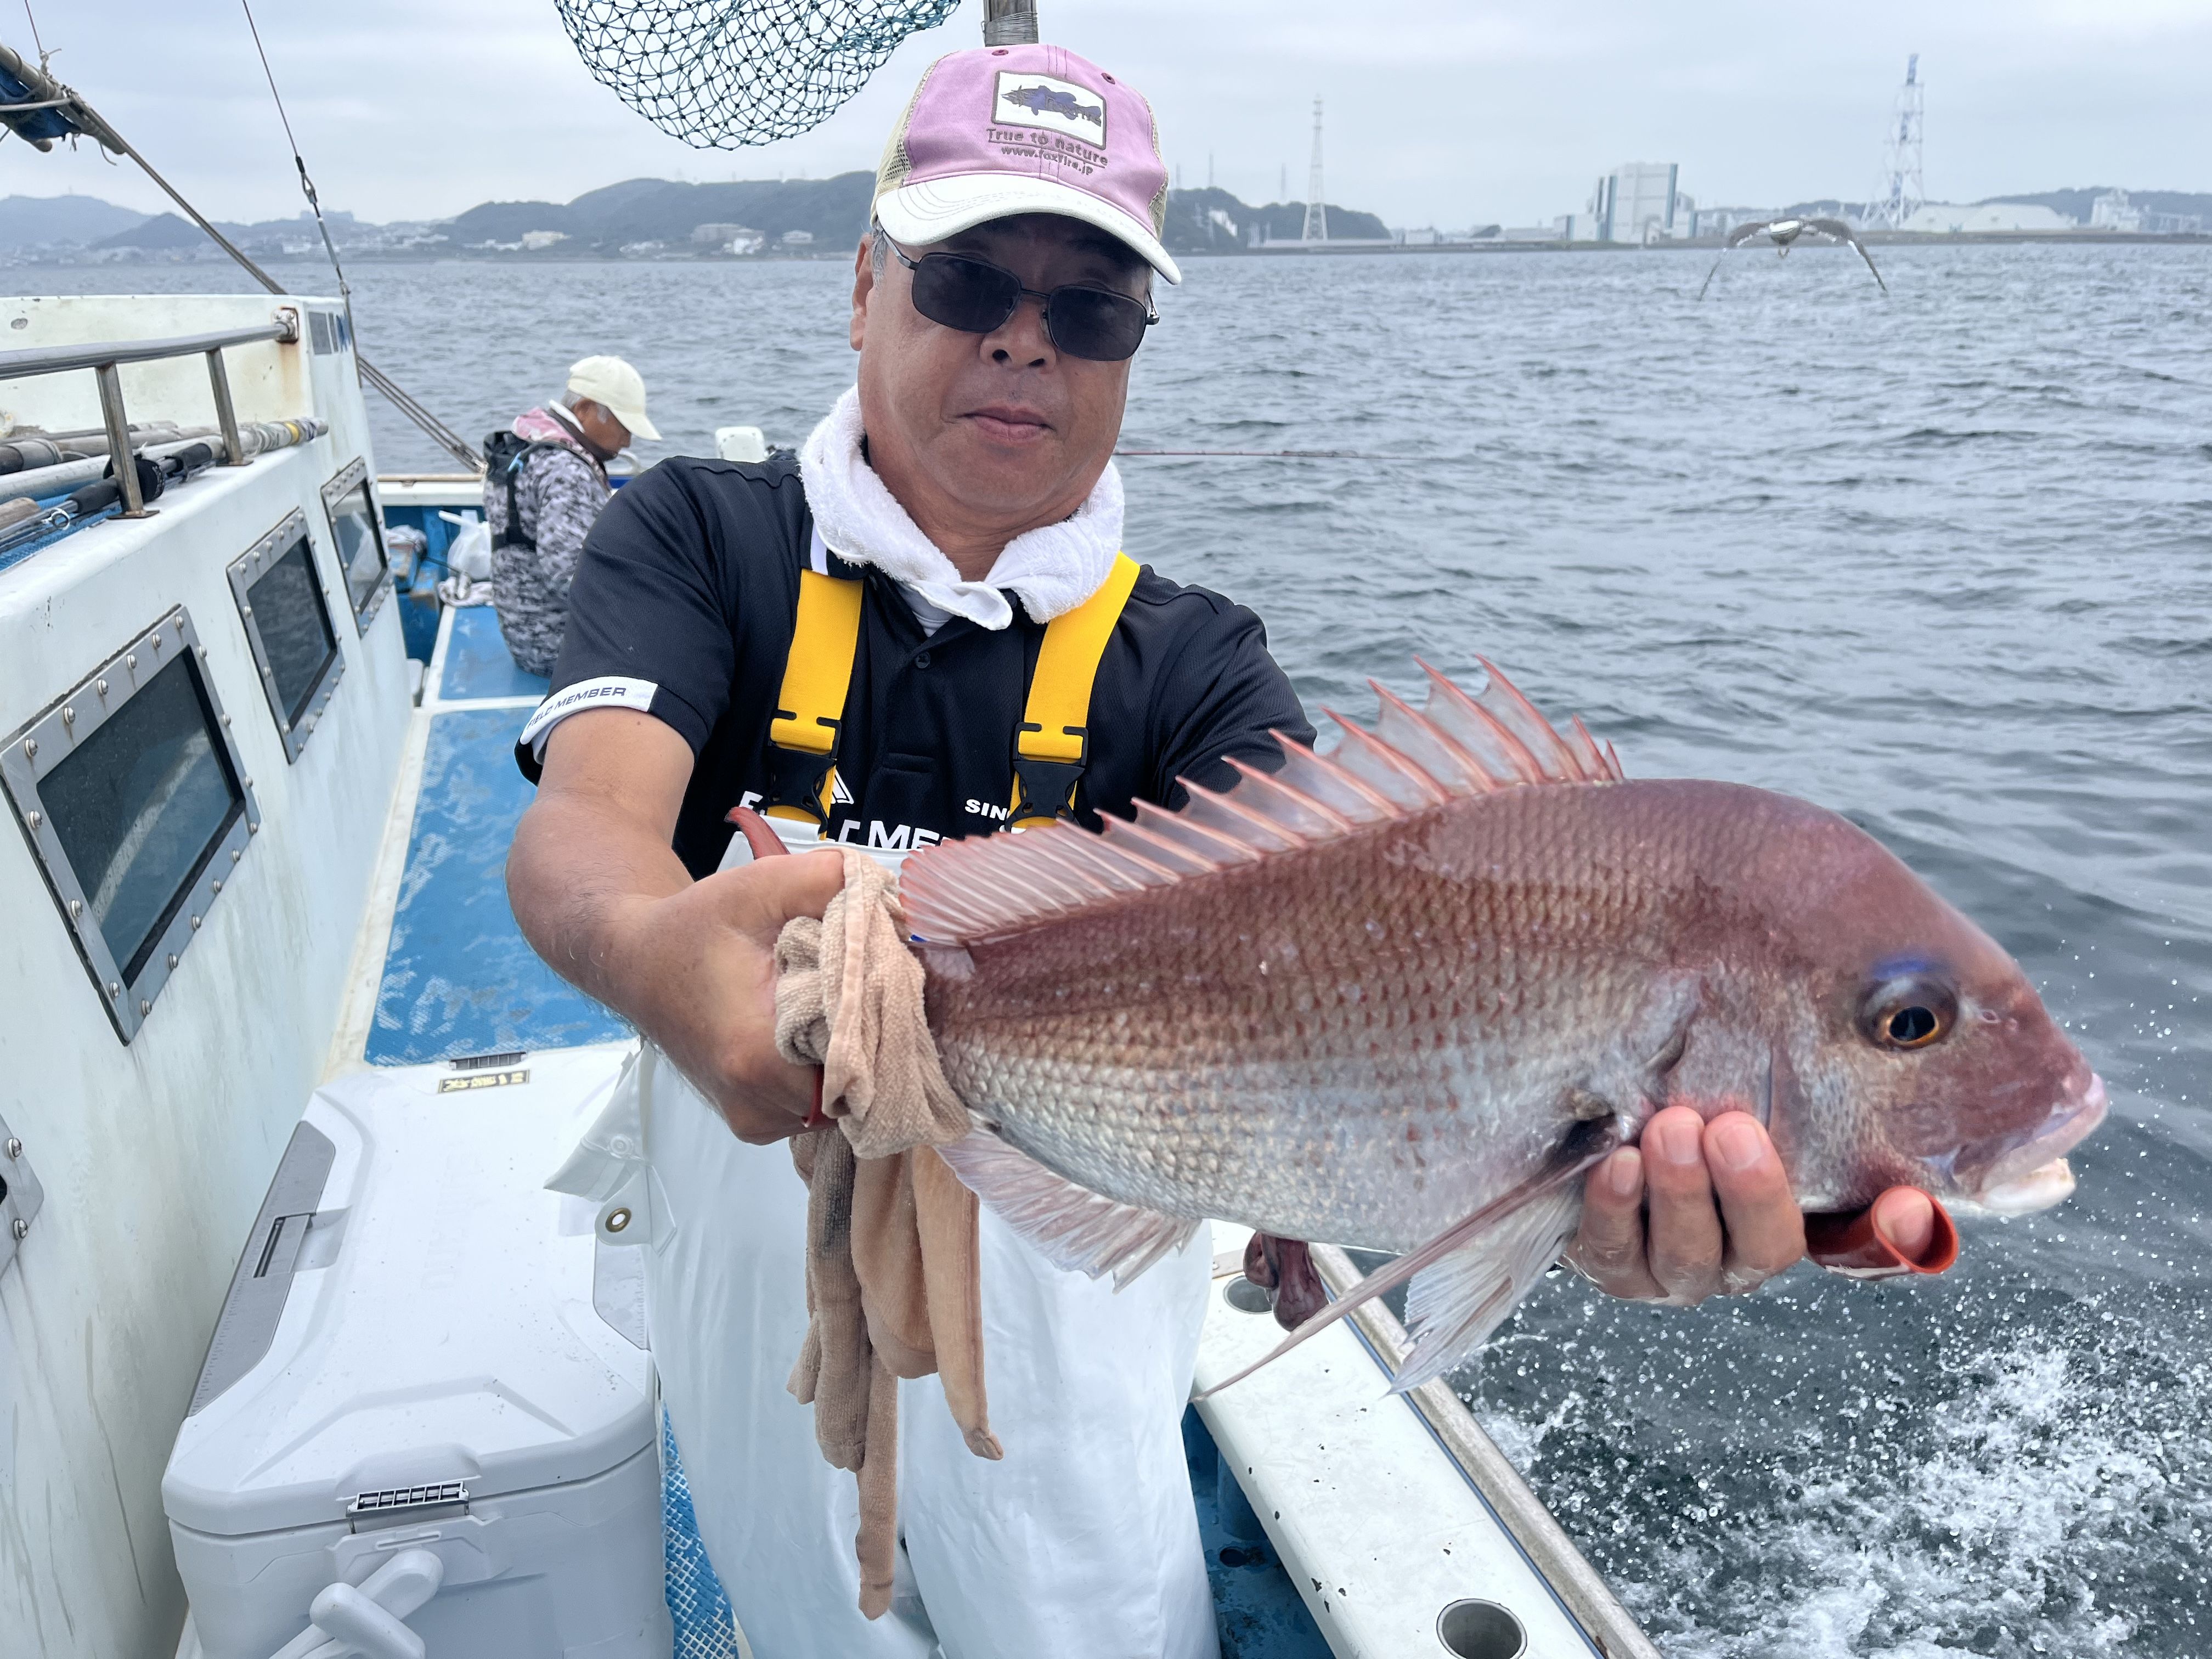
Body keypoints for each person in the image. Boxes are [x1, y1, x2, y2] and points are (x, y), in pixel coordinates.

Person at [506, 40, 1928, 1658]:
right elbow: (586, 837)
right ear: (861, 289)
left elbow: (1346, 987)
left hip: (1070, 1327)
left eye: (1092, 308)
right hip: (764, 1270)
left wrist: (1547, 1193)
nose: (1027, 339)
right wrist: (657, 958)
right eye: (968, 280)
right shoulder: (697, 535)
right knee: (795, 1606)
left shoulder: (1198, 667)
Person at [484, 354, 659, 676]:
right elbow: (568, 574)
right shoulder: (566, 471)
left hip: (522, 633)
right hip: (558, 648)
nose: (628, 440)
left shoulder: (525, 447)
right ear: (584, 409)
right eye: (623, 426)